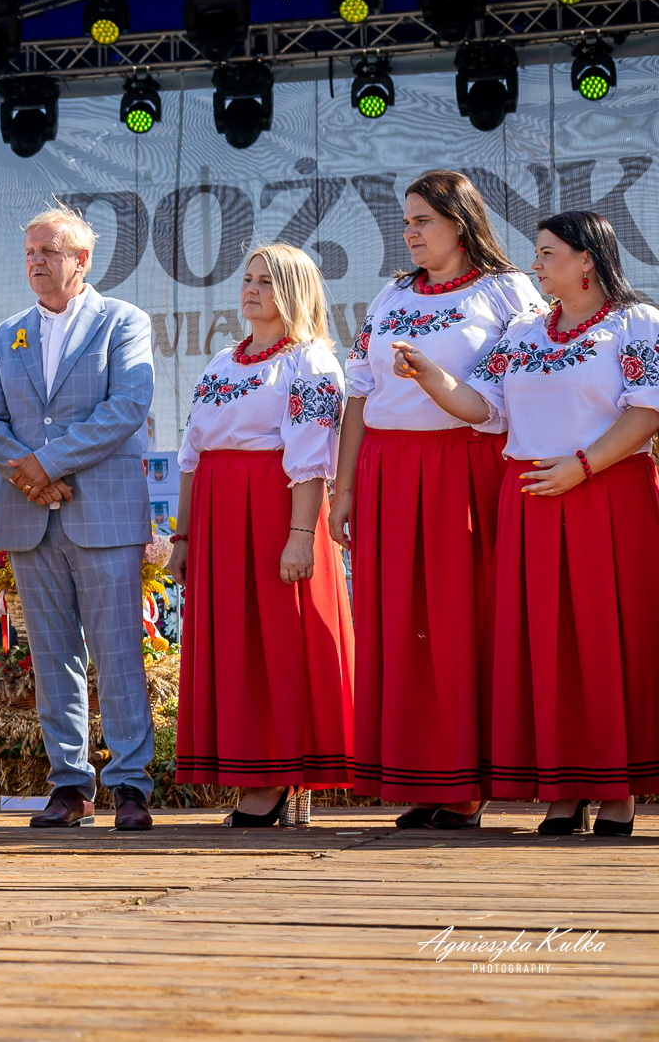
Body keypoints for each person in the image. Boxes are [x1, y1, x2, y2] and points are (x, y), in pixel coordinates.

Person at [392, 210, 659, 837]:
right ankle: (563, 790)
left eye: (546, 253)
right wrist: (430, 375)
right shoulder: (522, 332)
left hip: (607, 495)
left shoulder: (636, 324)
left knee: (608, 639)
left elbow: (648, 411)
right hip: (532, 497)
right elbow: (482, 405)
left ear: (587, 259)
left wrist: (583, 466)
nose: (534, 264)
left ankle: (617, 791)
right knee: (546, 645)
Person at [331, 171, 541, 829]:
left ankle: (466, 782)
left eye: (423, 219)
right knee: (401, 625)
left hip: (465, 466)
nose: (411, 232)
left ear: (461, 221)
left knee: (458, 621)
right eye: (406, 221)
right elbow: (359, 392)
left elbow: (523, 388)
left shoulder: (507, 291)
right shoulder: (391, 293)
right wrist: (344, 488)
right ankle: (420, 773)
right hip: (388, 467)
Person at [0, 204, 157, 832]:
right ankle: (70, 786)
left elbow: (126, 407)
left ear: (83, 261)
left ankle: (130, 785)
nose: (36, 262)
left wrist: (44, 464)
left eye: (48, 251)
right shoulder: (8, 333)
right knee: (53, 658)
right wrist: (30, 475)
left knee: (117, 654)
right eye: (30, 252)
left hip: (100, 514)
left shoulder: (122, 322)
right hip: (31, 517)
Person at [168, 244, 355, 825]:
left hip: (275, 513)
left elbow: (313, 461)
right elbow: (193, 457)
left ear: (295, 290)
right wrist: (183, 538)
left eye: (266, 281)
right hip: (219, 519)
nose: (251, 289)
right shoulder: (221, 362)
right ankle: (257, 770)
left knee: (278, 640)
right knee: (237, 645)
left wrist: (300, 534)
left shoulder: (310, 361)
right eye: (247, 279)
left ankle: (280, 774)